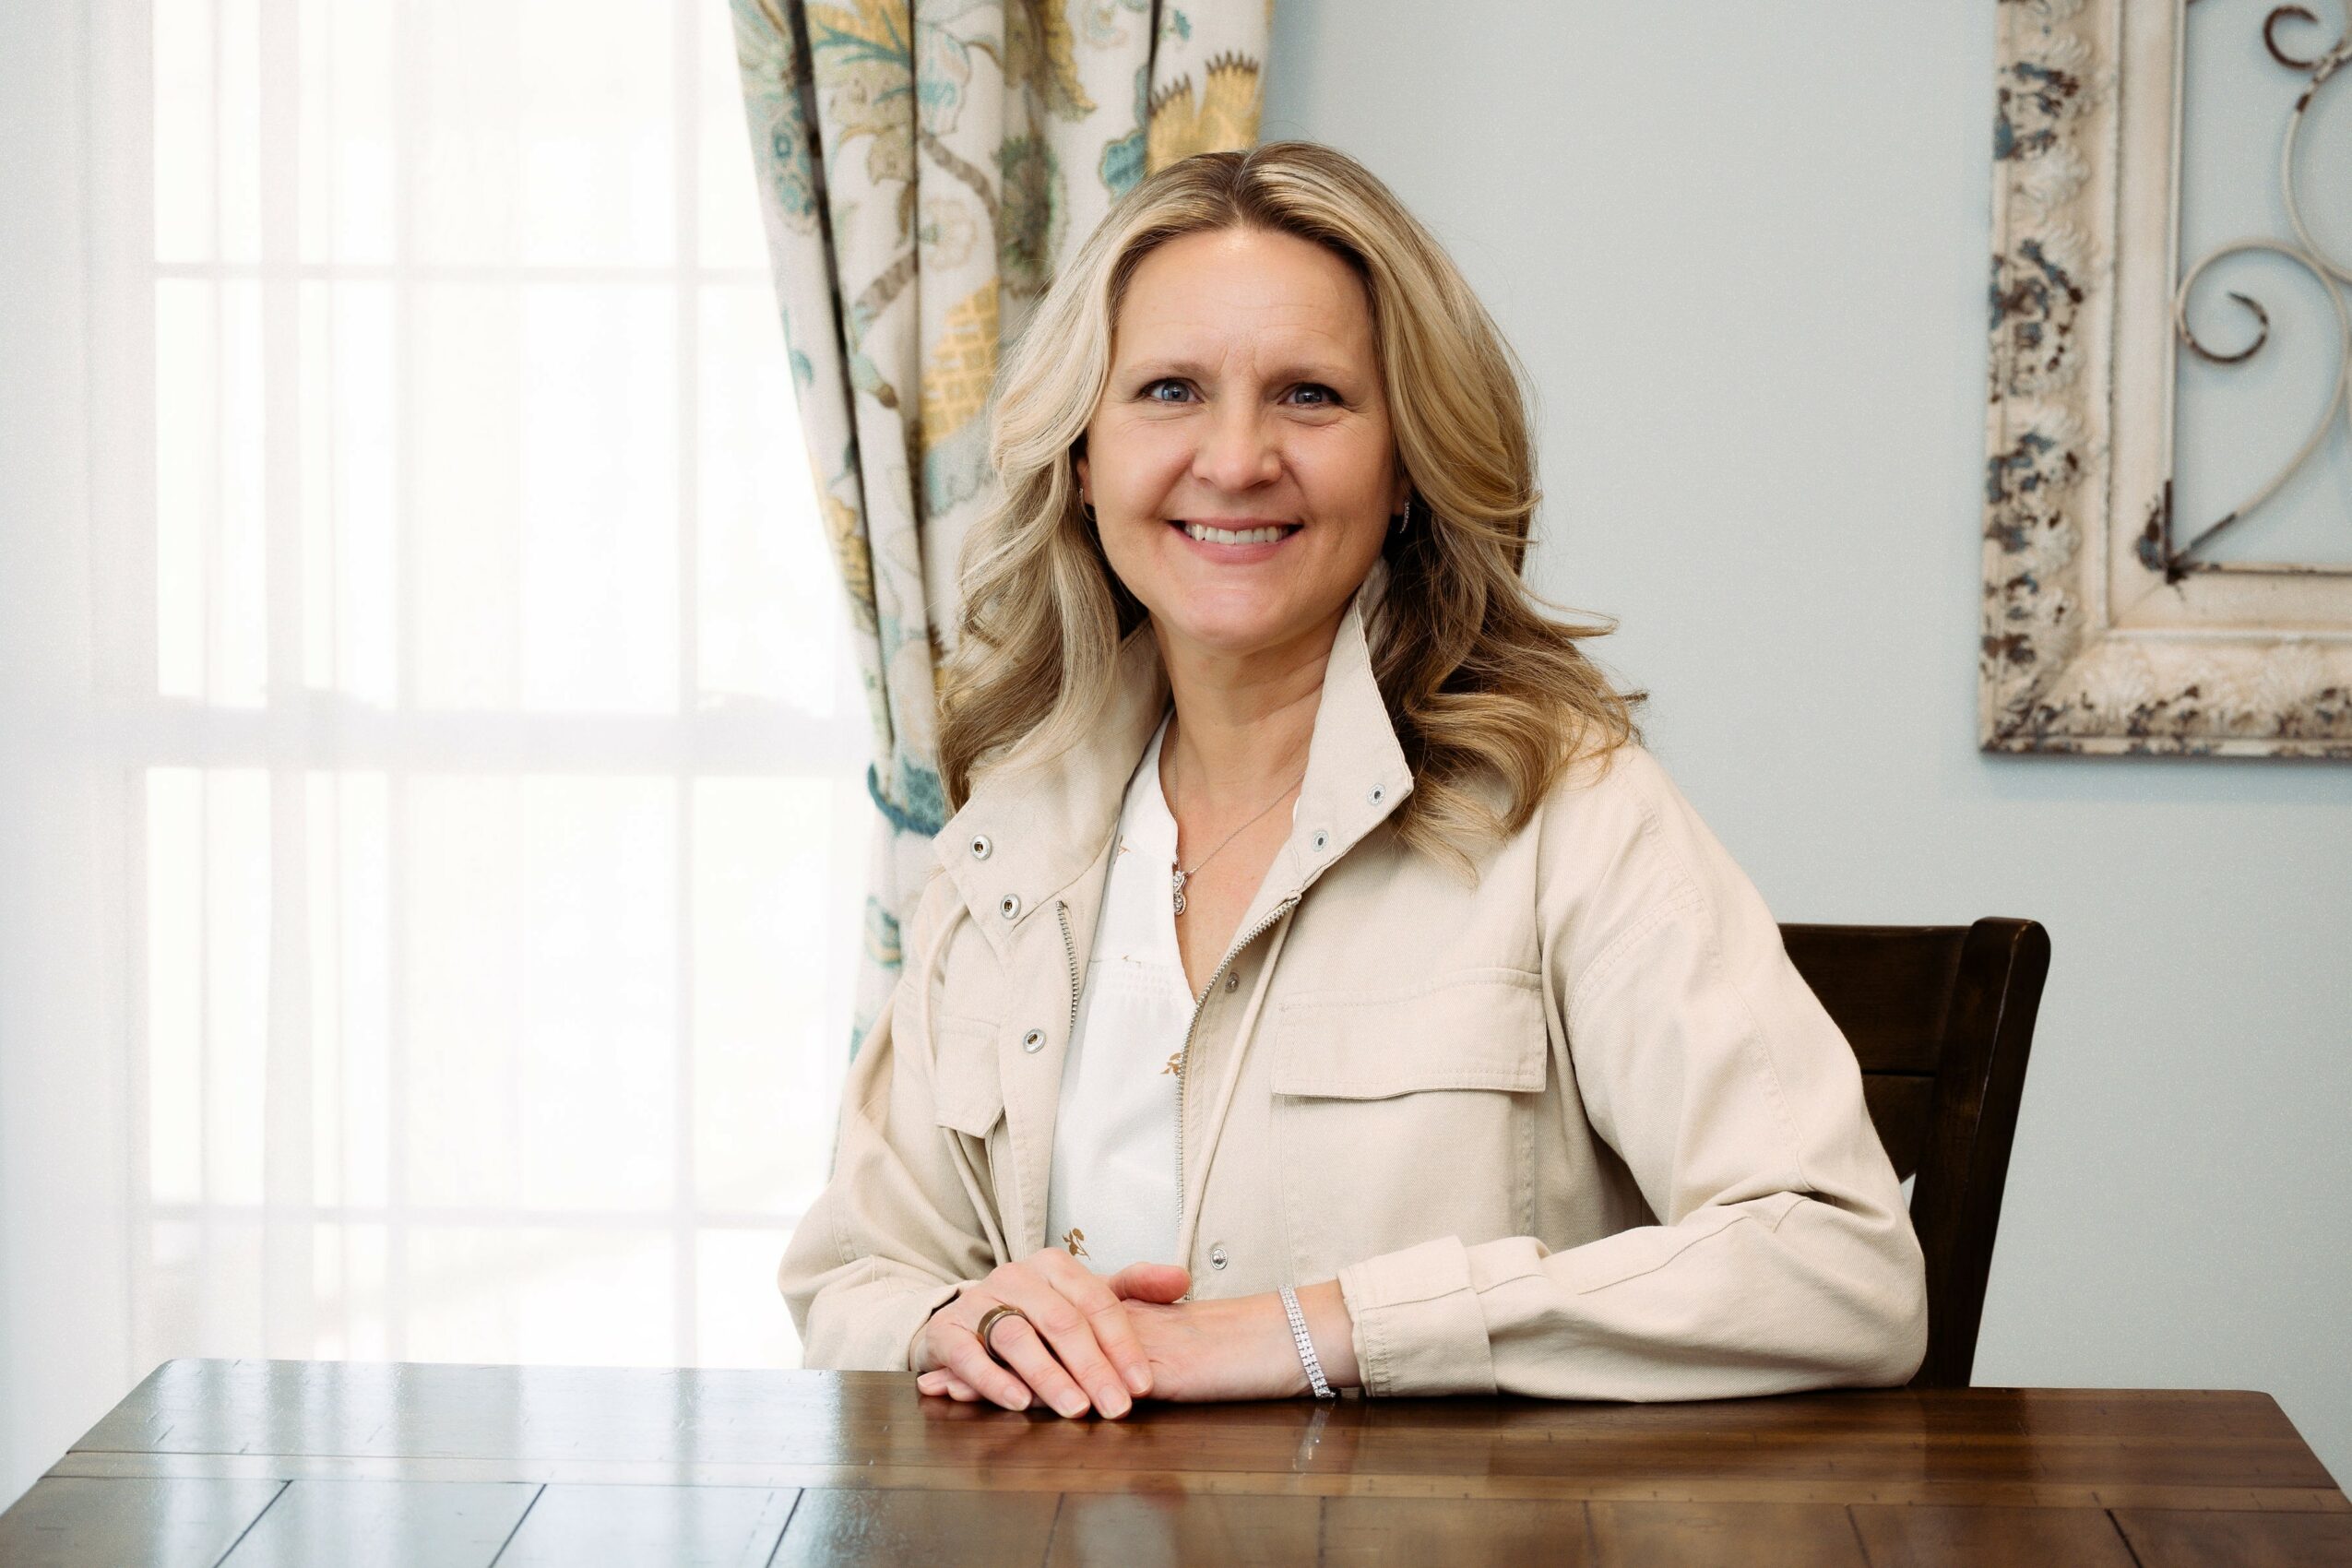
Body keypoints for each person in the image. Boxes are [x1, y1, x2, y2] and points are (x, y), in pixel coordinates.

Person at [778, 141, 1926, 1420]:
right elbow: (852, 1281)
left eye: (1311, 396)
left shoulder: (1571, 810)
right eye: (1168, 389)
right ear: (1083, 459)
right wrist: (962, 1322)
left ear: (1404, 469)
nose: (1235, 458)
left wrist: (1310, 1333)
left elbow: (1840, 1267)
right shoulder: (1012, 831)